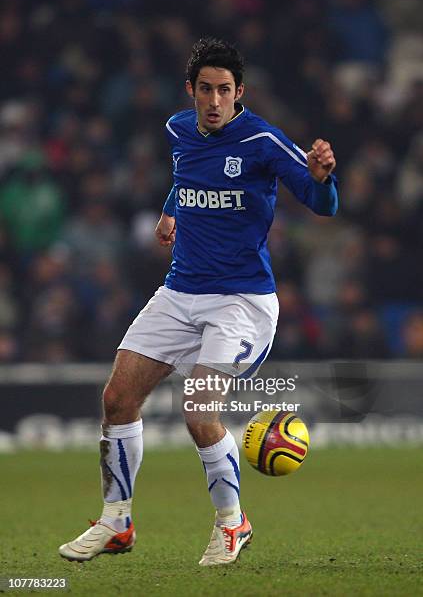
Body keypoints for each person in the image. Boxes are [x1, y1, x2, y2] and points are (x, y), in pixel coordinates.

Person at [59, 37, 337, 566]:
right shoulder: (178, 129)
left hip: (242, 302)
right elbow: (189, 172)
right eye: (205, 89)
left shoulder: (262, 140)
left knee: (198, 409)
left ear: (240, 94)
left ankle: (233, 524)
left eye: (225, 90)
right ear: (191, 91)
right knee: (117, 398)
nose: (214, 100)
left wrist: (323, 179)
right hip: (180, 292)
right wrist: (171, 210)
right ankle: (116, 521)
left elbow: (319, 200)